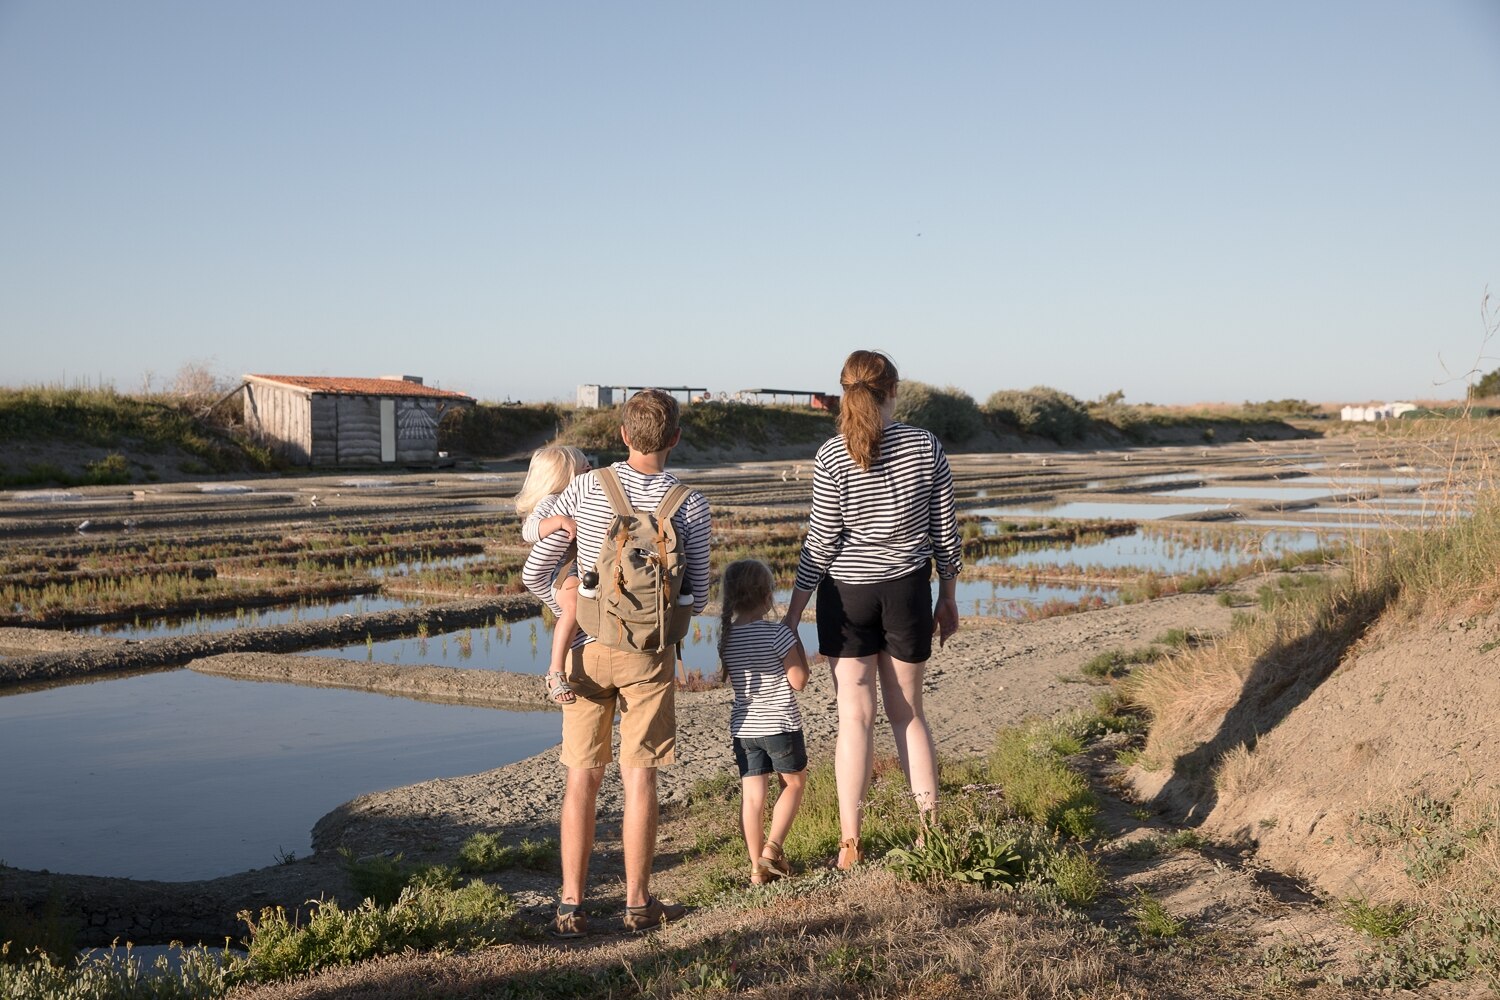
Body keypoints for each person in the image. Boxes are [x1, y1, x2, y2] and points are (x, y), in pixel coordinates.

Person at [522, 389, 711, 936]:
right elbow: (695, 593)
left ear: (623, 436)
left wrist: (559, 552)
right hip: (647, 657)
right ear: (675, 438)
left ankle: (571, 905)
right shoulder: (690, 503)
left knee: (581, 778)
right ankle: (636, 903)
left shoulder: (586, 486)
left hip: (584, 647)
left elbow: (532, 529)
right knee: (639, 777)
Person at [782, 350, 961, 870]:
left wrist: (792, 617)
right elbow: (944, 532)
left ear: (843, 390)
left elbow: (821, 541)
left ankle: (849, 845)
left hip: (847, 595)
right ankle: (931, 835)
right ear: (894, 390)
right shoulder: (925, 445)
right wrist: (947, 595)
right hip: (906, 592)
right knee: (908, 715)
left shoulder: (832, 454)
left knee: (854, 718)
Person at [716, 559, 810, 886]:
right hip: (780, 724)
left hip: (744, 729)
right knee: (795, 784)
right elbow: (798, 680)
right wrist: (793, 634)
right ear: (766, 595)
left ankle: (757, 869)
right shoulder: (777, 633)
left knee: (753, 798)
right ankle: (772, 850)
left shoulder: (726, 638)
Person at [514, 445, 590, 704]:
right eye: (583, 466)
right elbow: (529, 531)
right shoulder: (552, 500)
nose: (589, 468)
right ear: (563, 476)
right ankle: (555, 670)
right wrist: (558, 521)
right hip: (565, 568)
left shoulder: (585, 496)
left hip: (582, 565)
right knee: (572, 607)